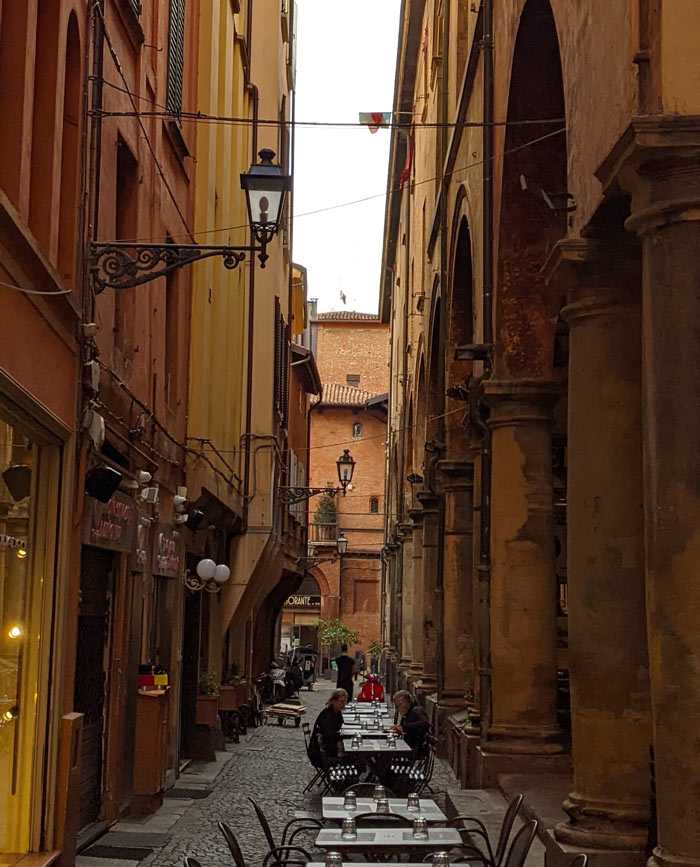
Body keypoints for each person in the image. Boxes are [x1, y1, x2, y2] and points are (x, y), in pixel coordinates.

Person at [312, 687, 347, 760]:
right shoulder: (328, 715)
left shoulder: (337, 712)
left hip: (329, 747)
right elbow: (329, 736)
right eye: (340, 701)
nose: (342, 704)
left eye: (344, 702)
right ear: (333, 701)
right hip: (322, 752)